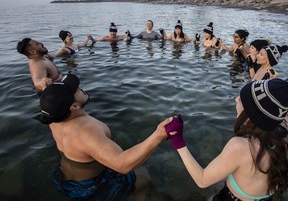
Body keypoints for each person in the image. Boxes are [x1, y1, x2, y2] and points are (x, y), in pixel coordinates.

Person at [39, 74, 170, 201]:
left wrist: (48, 89)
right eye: (76, 90)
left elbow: (50, 100)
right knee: (143, 175)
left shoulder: (53, 117)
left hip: (62, 179)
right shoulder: (86, 132)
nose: (80, 88)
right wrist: (158, 135)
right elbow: (122, 165)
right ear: (73, 107)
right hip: (87, 188)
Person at [165, 78, 288, 201]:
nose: (236, 99)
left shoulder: (240, 147)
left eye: (241, 99)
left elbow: (202, 180)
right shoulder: (283, 138)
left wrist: (178, 140)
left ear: (250, 113)